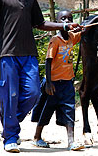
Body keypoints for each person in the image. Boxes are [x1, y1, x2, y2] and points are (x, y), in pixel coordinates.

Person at [0, 0, 81, 153]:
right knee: (11, 97)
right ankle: (10, 137)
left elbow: (41, 23)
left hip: (28, 55)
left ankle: (9, 123)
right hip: (7, 54)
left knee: (34, 93)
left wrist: (64, 26)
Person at [31, 10, 84, 151]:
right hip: (53, 83)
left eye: (70, 19)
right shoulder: (55, 40)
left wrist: (89, 23)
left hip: (67, 83)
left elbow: (84, 30)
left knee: (69, 110)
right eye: (63, 19)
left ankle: (71, 142)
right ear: (57, 22)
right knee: (46, 110)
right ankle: (37, 137)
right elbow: (48, 62)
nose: (66, 21)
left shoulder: (72, 37)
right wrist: (48, 83)